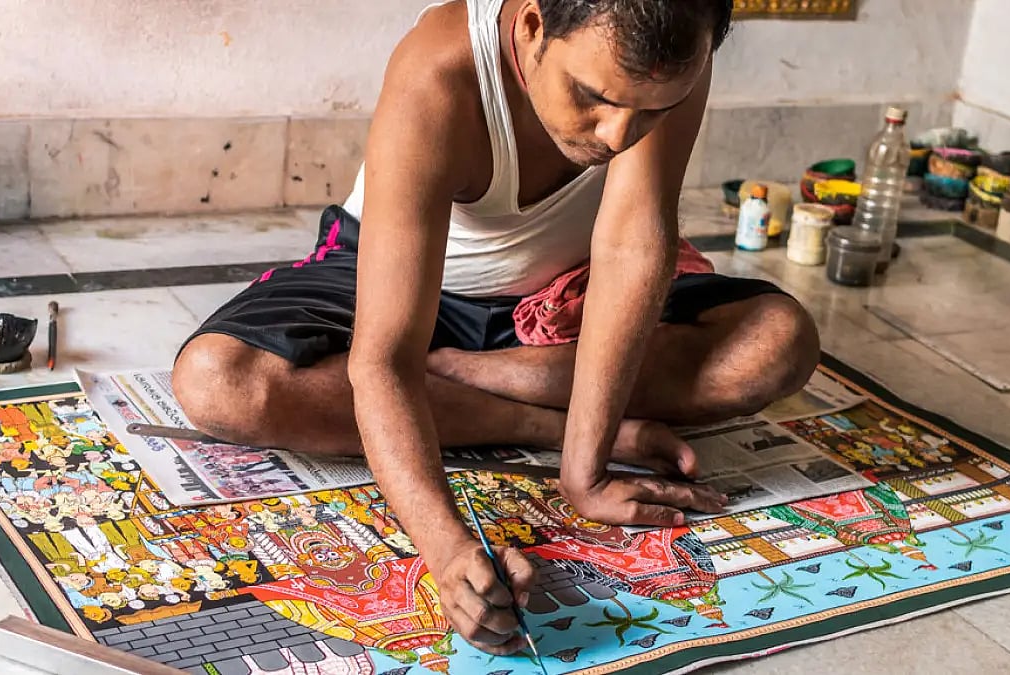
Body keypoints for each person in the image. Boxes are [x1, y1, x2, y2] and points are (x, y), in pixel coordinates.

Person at [172, 0, 819, 655]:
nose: (620, 135)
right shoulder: (439, 71)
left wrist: (586, 473)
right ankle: (536, 416)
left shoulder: (678, 55)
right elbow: (385, 359)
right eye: (593, 95)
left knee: (776, 345)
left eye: (651, 111)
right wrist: (448, 549)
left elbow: (632, 245)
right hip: (411, 277)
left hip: (563, 294)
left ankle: (465, 376)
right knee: (219, 381)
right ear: (533, 27)